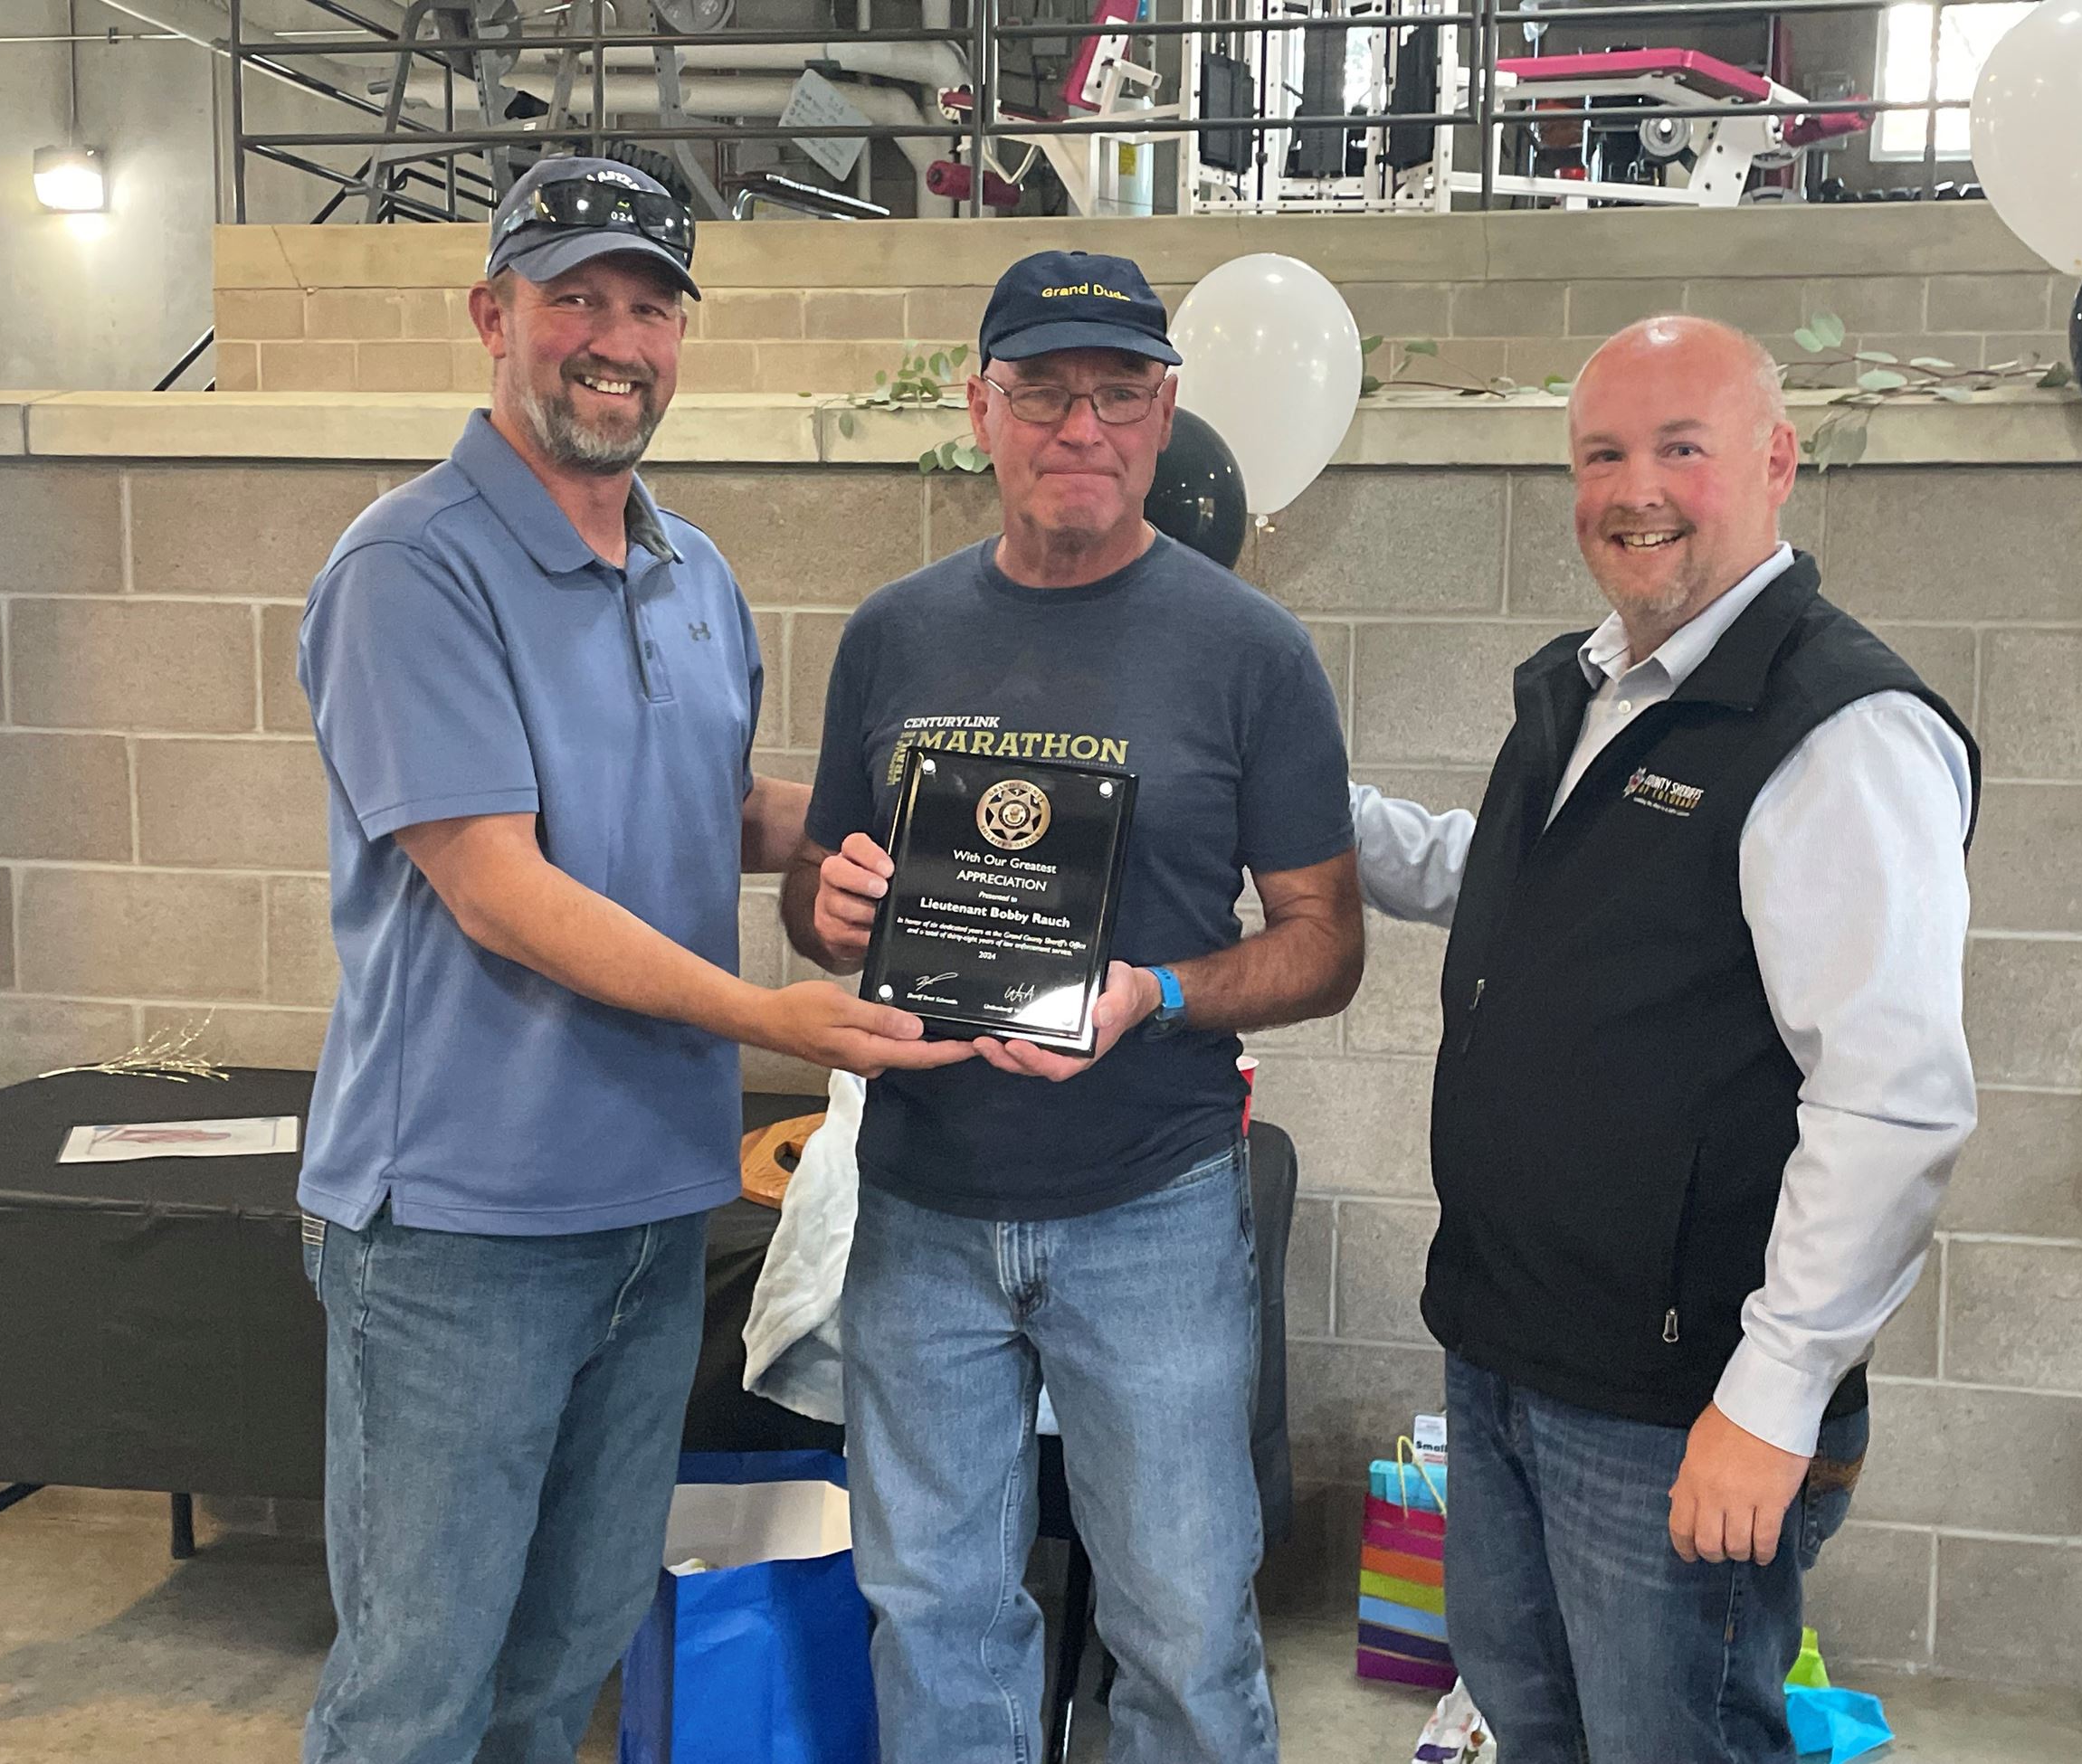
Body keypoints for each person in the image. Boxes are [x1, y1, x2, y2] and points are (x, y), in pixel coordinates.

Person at [292, 155, 967, 1764]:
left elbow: (709, 806)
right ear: (493, 316)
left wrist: (926, 837)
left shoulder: (693, 571)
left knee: (569, 1653)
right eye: (576, 298)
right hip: (461, 1227)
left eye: (651, 306)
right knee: (418, 1686)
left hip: (651, 1208)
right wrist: (772, 1014)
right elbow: (501, 887)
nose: (616, 339)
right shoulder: (411, 568)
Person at [781, 249, 1363, 1762]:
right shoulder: (891, 634)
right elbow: (821, 889)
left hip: (1151, 1208)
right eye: (1042, 389)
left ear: (1164, 413)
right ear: (983, 409)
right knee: (934, 1616)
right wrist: (827, 904)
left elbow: (1325, 944)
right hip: (920, 1205)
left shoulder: (1251, 652)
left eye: (1117, 391)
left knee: (1181, 1628)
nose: (1079, 425)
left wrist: (1158, 991)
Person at [1415, 315, 1979, 1764]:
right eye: (1603, 454)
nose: (1636, 489)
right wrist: (1310, 823)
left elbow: (1895, 1100)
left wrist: (1772, 1398)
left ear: (1778, 461)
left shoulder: (1840, 730)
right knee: (1532, 1722)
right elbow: (1539, 878)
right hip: (1510, 1350)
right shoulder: (1598, 683)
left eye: (1682, 447)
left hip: (1679, 1406)